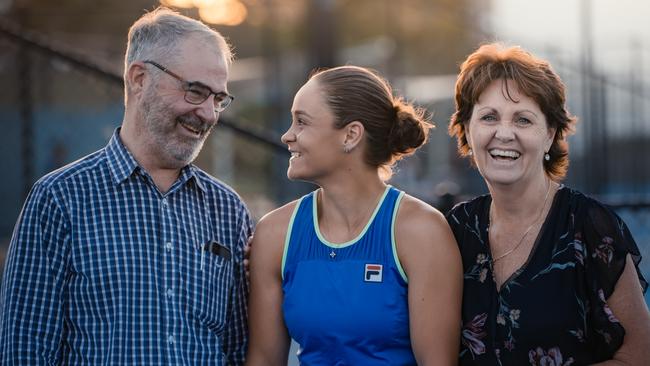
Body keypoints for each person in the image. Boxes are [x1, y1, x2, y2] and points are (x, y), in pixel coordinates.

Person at [0, 7, 251, 365]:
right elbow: (25, 352)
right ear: (139, 78)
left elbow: (241, 349)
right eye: (196, 91)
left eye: (218, 98)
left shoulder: (229, 210)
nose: (209, 113)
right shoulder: (59, 199)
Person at [447, 43, 650, 365]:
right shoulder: (455, 229)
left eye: (523, 120)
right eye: (488, 117)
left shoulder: (589, 227)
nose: (504, 133)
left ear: (550, 134)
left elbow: (638, 356)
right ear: (467, 132)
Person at [245, 65, 463, 365]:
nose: (287, 136)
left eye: (301, 122)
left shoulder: (421, 231)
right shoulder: (274, 233)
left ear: (350, 135)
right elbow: (263, 360)